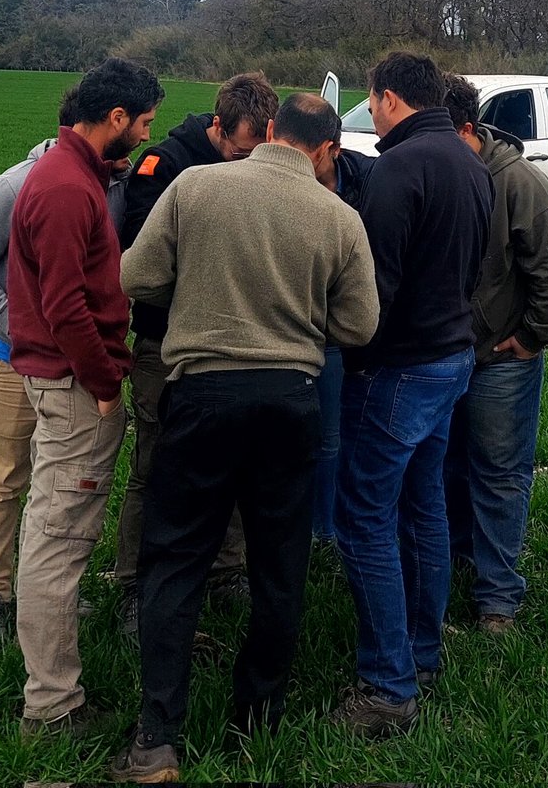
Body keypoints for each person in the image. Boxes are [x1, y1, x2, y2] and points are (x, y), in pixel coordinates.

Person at [109, 93, 378, 783]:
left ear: (268, 135)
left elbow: (134, 276)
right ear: (324, 150)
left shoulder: (196, 185)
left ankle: (157, 738)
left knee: (174, 561)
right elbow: (359, 328)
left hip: (200, 394)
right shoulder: (339, 217)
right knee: (278, 565)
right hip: (289, 402)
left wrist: (200, 297)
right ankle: (255, 719)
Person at [331, 52, 494, 738]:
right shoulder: (467, 161)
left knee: (363, 520)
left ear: (387, 98)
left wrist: (356, 357)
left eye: (370, 100)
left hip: (398, 370)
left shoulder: (399, 165)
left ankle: (388, 688)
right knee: (423, 507)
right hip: (451, 358)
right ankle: (422, 654)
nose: (369, 112)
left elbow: (377, 285)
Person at [8, 57, 163, 737]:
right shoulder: (68, 188)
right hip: (75, 384)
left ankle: (51, 690)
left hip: (71, 377)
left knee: (56, 528)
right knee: (58, 537)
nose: (146, 136)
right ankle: (51, 707)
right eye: (145, 122)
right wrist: (103, 384)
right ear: (117, 117)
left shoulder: (74, 174)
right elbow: (65, 304)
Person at [0, 86, 131, 641]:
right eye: (135, 126)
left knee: (56, 487)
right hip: (9, 359)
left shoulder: (114, 185)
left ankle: (41, 596)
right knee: (4, 474)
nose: (142, 141)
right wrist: (20, 327)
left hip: (68, 359)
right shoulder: (19, 183)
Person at [113, 71, 280, 635]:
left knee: (236, 462)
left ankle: (226, 569)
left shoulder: (261, 167)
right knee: (155, 463)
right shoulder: (163, 167)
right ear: (217, 126)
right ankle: (134, 581)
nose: (244, 164)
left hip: (234, 343)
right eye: (238, 150)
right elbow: (139, 262)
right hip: (167, 344)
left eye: (256, 153)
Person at [441, 74, 548, 635]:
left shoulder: (519, 182)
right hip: (441, 358)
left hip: (500, 360)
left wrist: (532, 336)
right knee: (447, 468)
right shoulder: (436, 174)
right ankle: (452, 567)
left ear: (468, 131)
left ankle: (498, 599)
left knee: (499, 474)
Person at [309, 119, 375, 545]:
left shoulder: (367, 177)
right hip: (301, 323)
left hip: (346, 321)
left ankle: (325, 526)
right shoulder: (287, 183)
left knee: (334, 435)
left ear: (331, 150)